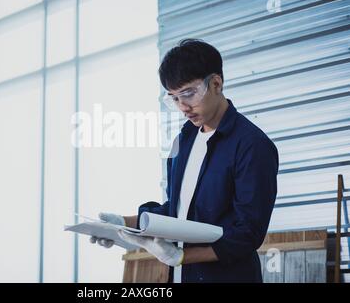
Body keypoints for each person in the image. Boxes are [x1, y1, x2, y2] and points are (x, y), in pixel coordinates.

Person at [90, 39, 279, 283]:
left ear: (216, 83)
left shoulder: (252, 145)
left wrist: (181, 256)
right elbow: (177, 211)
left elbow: (248, 233)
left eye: (189, 94)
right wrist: (121, 225)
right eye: (174, 98)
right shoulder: (185, 139)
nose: (183, 107)